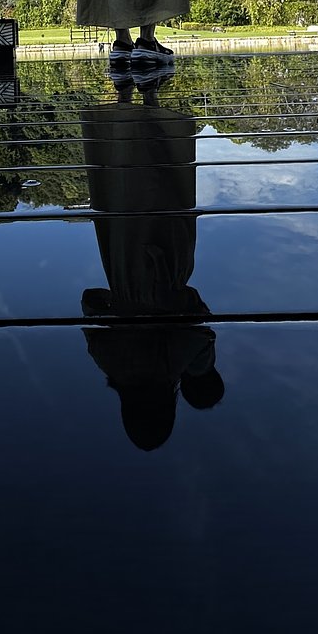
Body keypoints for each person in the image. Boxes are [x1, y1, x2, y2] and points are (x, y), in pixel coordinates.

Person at [80, 89, 225, 452]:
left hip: (169, 266)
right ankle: (128, 130)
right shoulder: (109, 361)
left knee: (165, 190)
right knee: (126, 192)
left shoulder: (177, 360)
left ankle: (155, 125)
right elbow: (89, 302)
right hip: (124, 266)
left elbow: (199, 321)